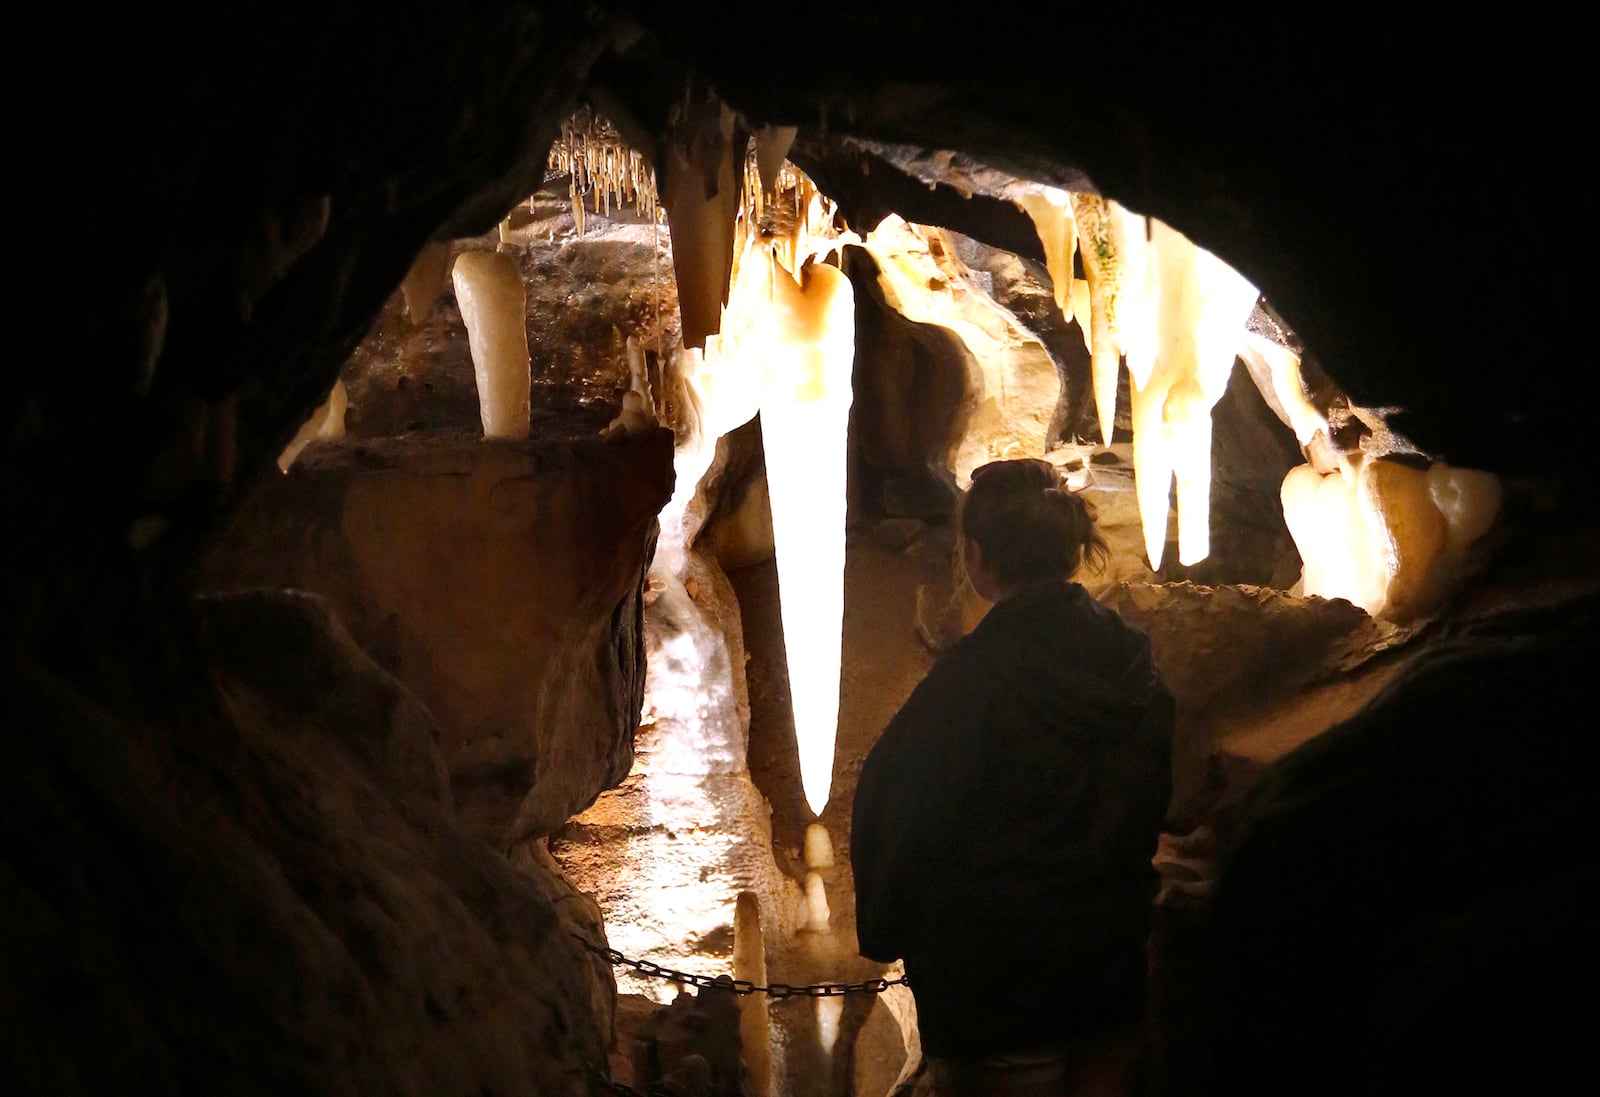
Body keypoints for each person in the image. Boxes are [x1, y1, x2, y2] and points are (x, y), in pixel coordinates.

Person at [850, 458, 1174, 1097]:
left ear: (976, 556)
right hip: (1110, 980)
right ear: (1073, 550)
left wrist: (893, 930)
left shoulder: (966, 687)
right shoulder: (1134, 668)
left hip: (1001, 996)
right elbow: (1148, 808)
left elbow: (898, 816)